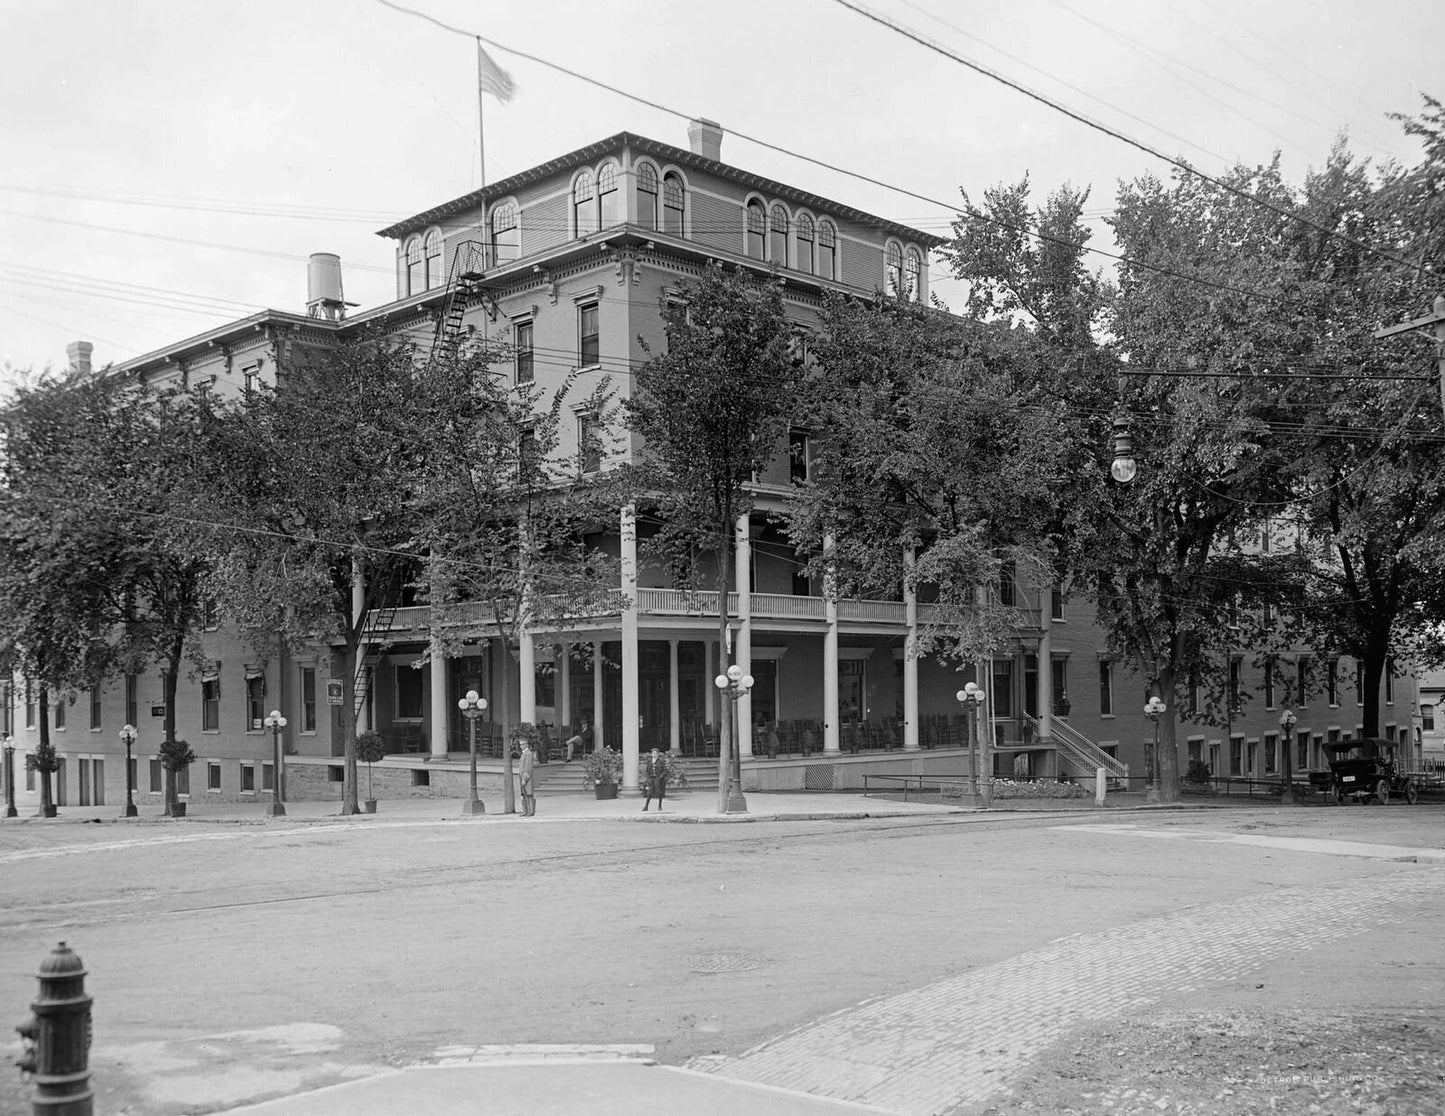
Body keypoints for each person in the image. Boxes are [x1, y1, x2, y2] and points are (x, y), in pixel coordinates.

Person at [642, 746, 668, 812]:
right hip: (651, 777)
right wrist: (648, 776)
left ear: (657, 754)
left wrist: (661, 776)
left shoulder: (661, 761)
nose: (654, 754)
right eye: (653, 753)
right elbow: (647, 769)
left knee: (659, 791)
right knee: (649, 792)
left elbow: (665, 770)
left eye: (655, 753)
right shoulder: (649, 761)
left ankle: (660, 805)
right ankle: (646, 806)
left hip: (657, 777)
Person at [518, 740, 536, 816]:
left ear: (526, 745)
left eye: (522, 744)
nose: (521, 746)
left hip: (527, 778)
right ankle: (525, 811)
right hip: (522, 777)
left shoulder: (528, 754)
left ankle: (530, 811)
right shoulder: (524, 754)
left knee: (529, 794)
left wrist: (524, 779)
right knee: (524, 794)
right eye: (520, 744)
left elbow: (528, 768)